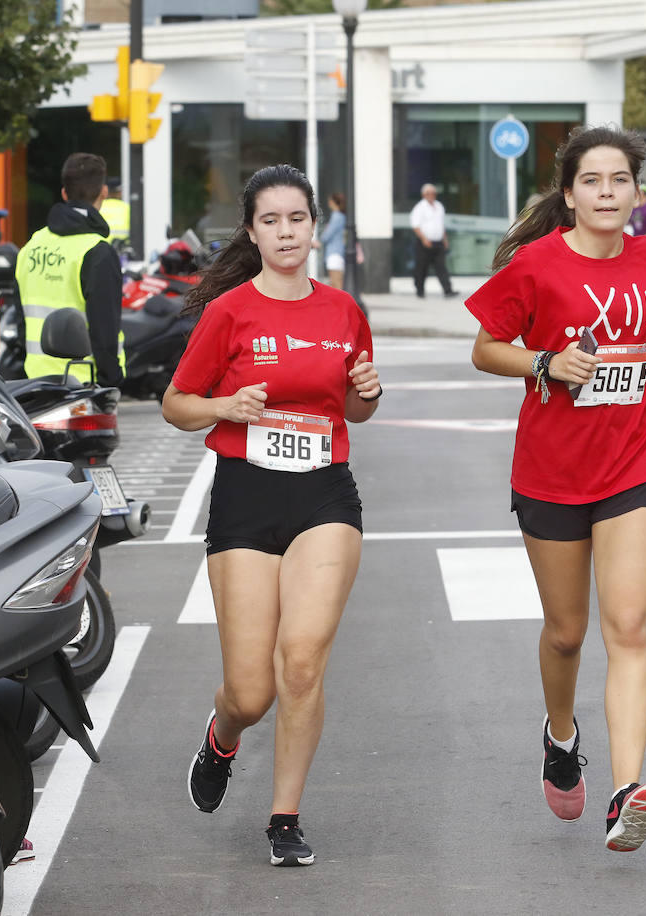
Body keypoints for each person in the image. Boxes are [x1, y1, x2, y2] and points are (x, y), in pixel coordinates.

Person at [466, 125, 646, 853]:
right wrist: (543, 364)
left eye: (619, 180)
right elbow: (485, 348)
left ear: (636, 191)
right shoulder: (536, 266)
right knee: (566, 632)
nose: (606, 193)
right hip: (552, 473)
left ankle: (627, 791)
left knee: (630, 627)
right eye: (592, 181)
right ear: (568, 194)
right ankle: (560, 737)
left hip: (634, 466)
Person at [161, 164, 381, 867]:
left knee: (303, 662)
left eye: (297, 219)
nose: (286, 232)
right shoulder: (229, 312)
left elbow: (354, 407)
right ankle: (223, 735)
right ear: (252, 232)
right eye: (271, 221)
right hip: (246, 495)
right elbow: (176, 405)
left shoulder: (344, 311)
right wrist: (223, 407)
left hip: (323, 495)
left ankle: (284, 818)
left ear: (314, 226)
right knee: (252, 691)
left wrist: (367, 392)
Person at [15, 153, 124, 387]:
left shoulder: (32, 245)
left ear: (64, 193)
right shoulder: (97, 251)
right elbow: (104, 327)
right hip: (85, 382)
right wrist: (111, 379)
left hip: (35, 381)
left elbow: (20, 320)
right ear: (103, 192)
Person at [410, 182, 457, 298]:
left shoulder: (439, 206)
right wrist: (424, 239)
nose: (432, 195)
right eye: (429, 193)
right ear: (424, 194)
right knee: (422, 268)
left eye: (433, 193)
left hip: (438, 242)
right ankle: (420, 291)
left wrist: (445, 239)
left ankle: (448, 290)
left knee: (441, 267)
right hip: (424, 242)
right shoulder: (419, 208)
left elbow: (441, 224)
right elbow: (416, 226)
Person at [315, 192, 347, 288]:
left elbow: (328, 234)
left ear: (334, 202)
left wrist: (320, 241)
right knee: (334, 283)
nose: (329, 203)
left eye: (330, 201)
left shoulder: (337, 216)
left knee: (336, 284)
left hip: (334, 254)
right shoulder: (341, 216)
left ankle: (339, 303)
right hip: (337, 253)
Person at [99, 178, 131, 245]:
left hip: (102, 246)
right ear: (120, 192)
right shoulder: (127, 207)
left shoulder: (100, 206)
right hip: (122, 247)